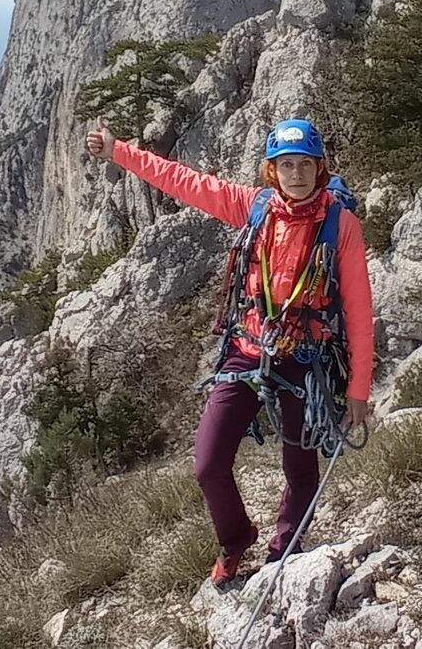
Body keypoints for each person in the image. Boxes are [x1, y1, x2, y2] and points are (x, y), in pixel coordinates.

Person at [84, 117, 374, 583]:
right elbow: (184, 182)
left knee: (299, 467)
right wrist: (120, 151)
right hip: (247, 350)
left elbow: (359, 312)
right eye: (286, 165)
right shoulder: (254, 207)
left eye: (305, 165)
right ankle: (236, 538)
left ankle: (283, 555)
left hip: (305, 359)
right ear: (271, 171)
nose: (296, 174)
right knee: (208, 463)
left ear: (320, 170)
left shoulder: (341, 227)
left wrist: (358, 389)